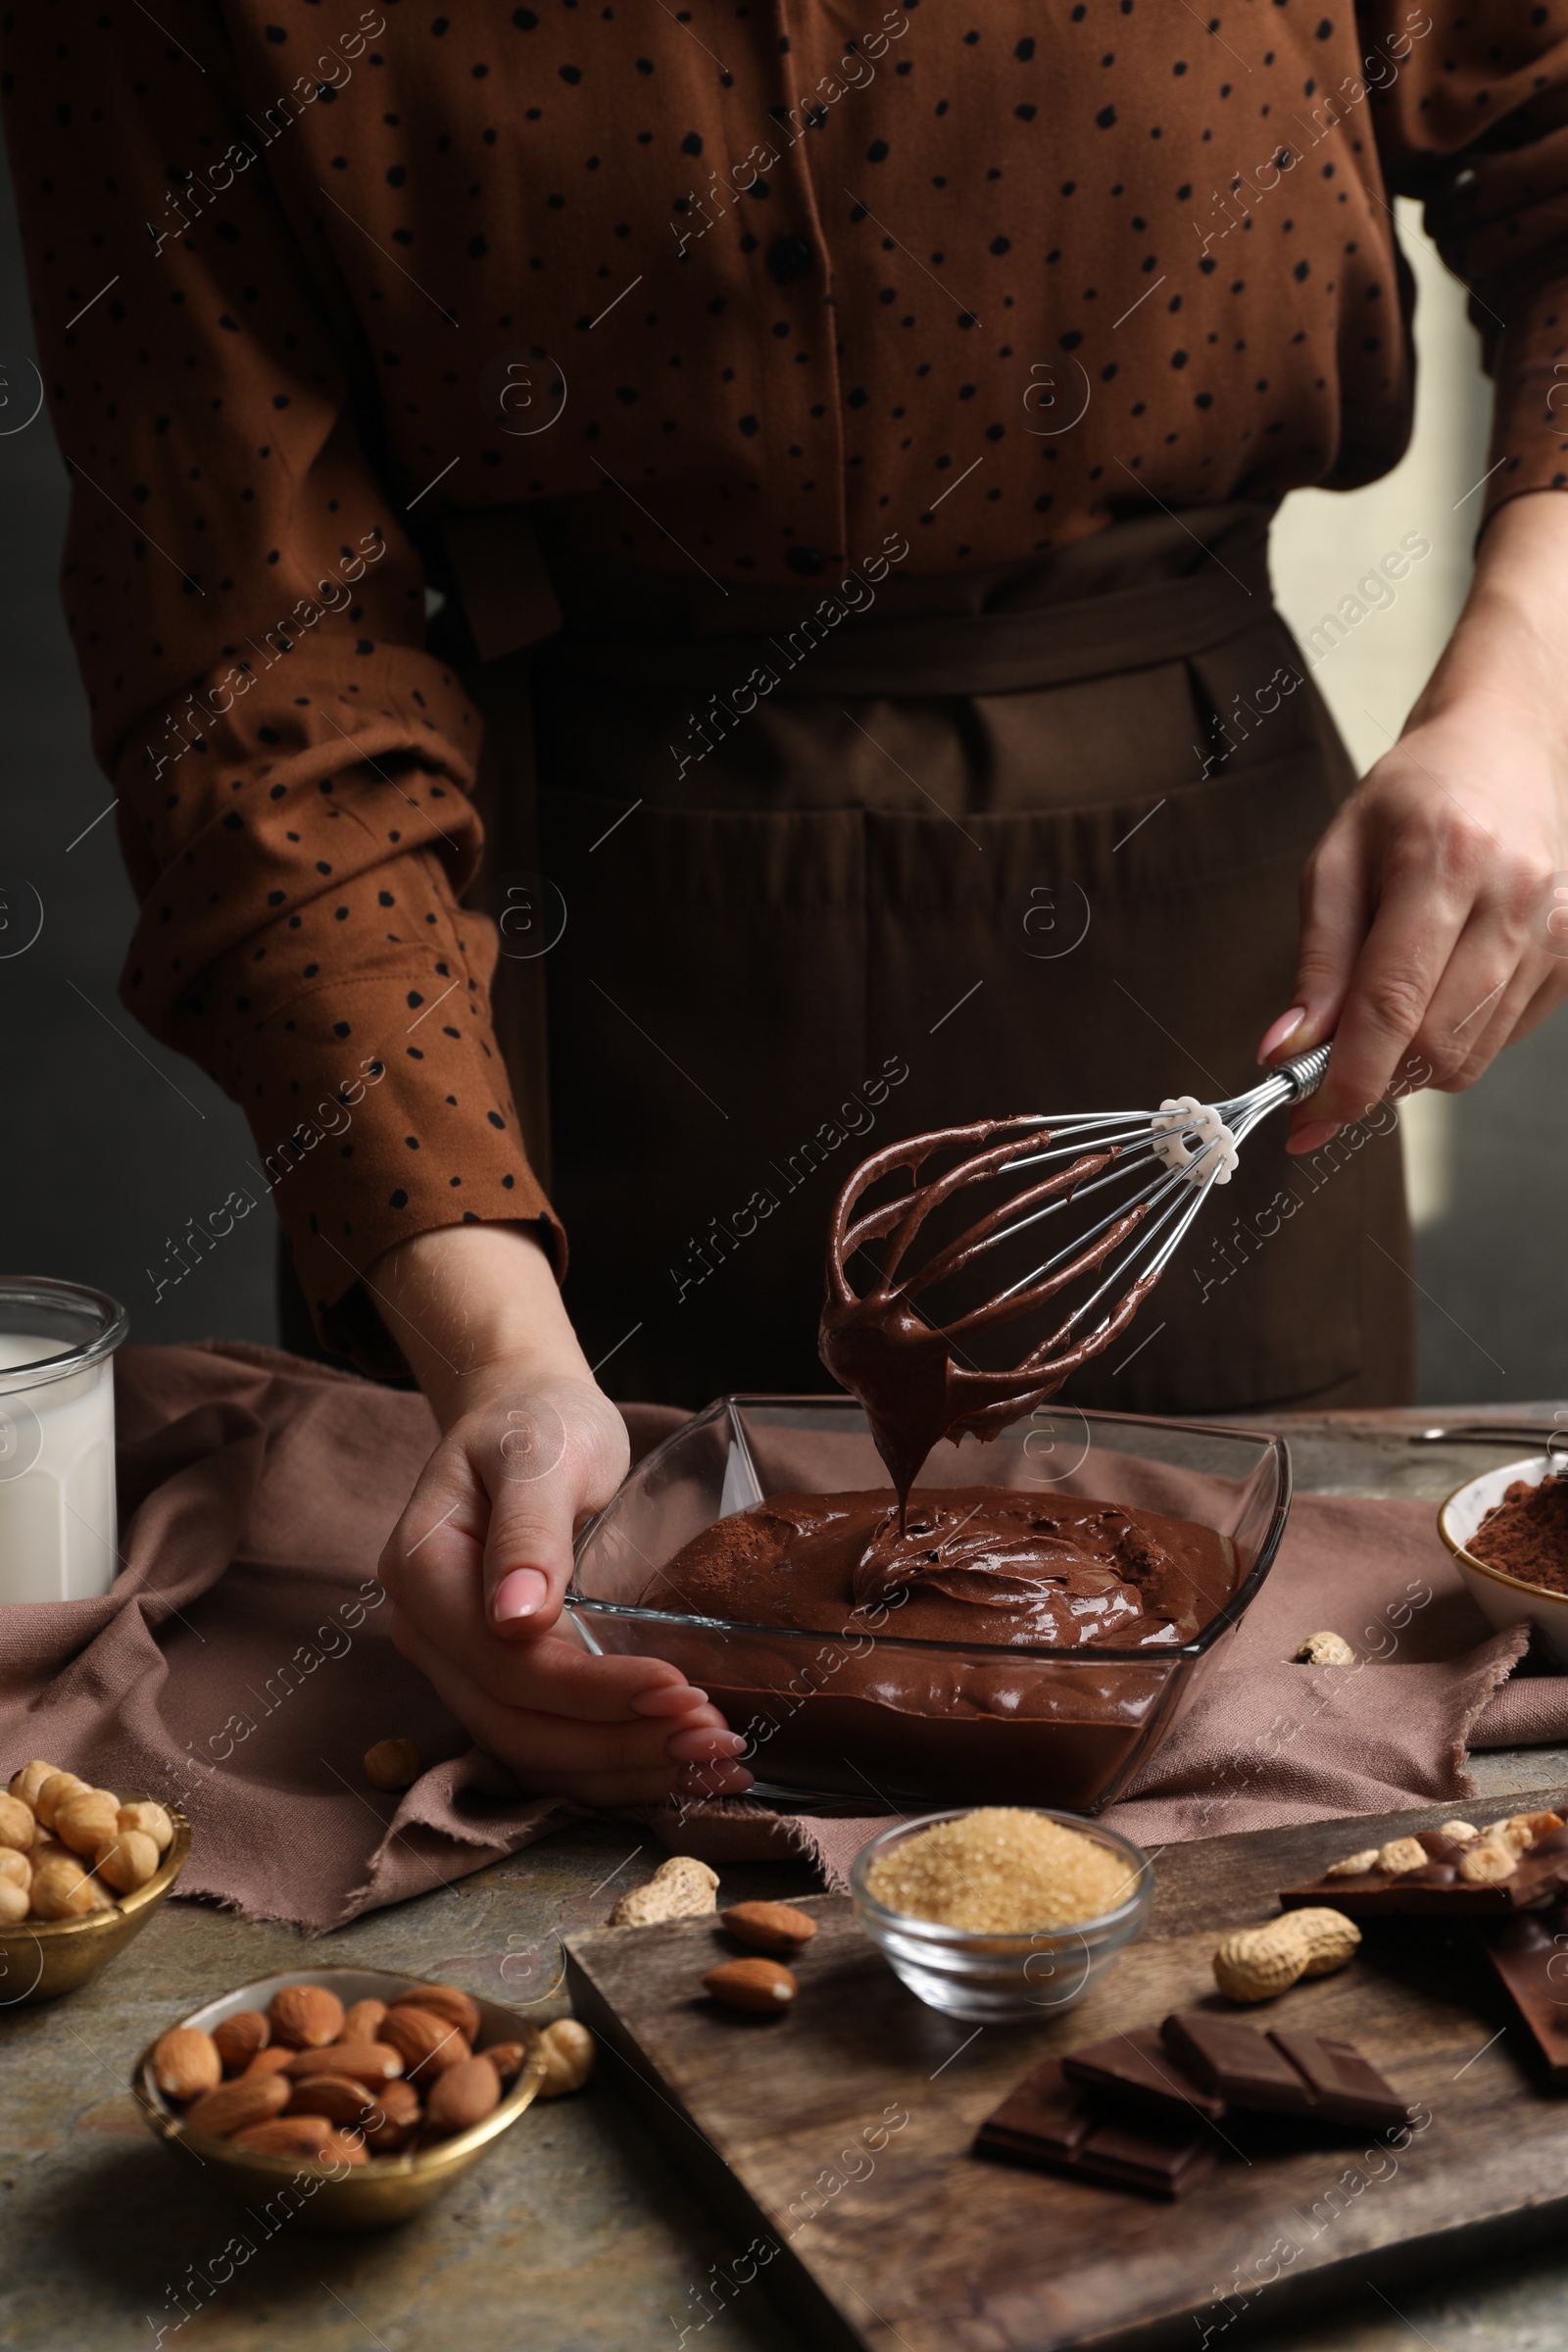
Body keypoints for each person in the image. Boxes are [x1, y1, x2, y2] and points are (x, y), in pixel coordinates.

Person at [6, 1, 1567, 1808]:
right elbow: (251, 679)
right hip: (546, 1018)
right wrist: (498, 1356)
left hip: (1210, 927)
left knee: (1265, 1780)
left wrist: (1529, 682)